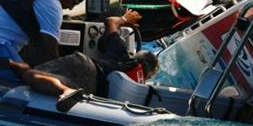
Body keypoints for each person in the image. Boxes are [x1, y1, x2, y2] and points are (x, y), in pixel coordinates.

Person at [9, 48, 160, 111]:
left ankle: (8, 62)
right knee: (29, 76)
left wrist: (125, 19)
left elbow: (111, 23)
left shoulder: (122, 54)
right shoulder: (138, 88)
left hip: (84, 62)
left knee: (32, 71)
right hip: (90, 85)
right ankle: (64, 90)